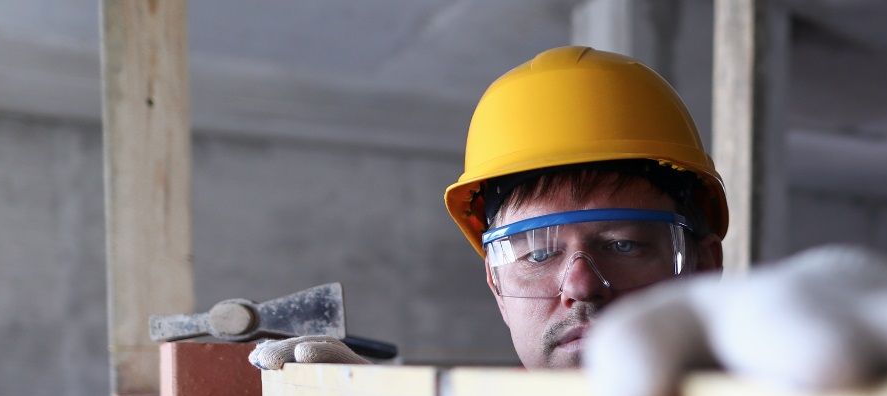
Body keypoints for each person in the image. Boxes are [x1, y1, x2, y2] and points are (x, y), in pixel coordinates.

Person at [253, 45, 727, 370]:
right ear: (496, 285)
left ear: (704, 267)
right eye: (539, 254)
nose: (581, 286)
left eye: (624, 244)